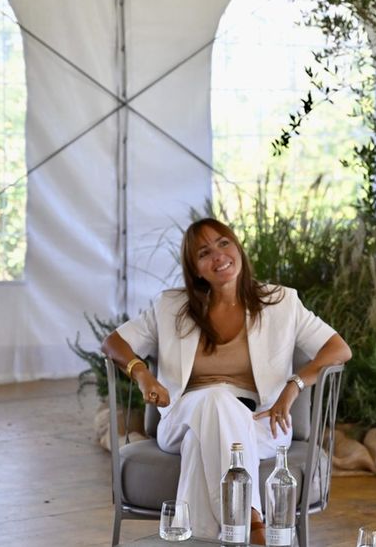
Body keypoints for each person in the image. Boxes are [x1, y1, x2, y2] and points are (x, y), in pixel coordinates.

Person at [102, 217, 352, 543]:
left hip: (260, 420)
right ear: (196, 270)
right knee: (215, 398)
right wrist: (143, 375)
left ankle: (209, 539)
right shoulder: (171, 306)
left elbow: (338, 349)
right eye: (204, 253)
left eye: (223, 243)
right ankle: (253, 524)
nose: (218, 256)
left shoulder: (281, 302)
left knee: (199, 446)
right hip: (182, 417)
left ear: (237, 247)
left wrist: (293, 387)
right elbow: (114, 343)